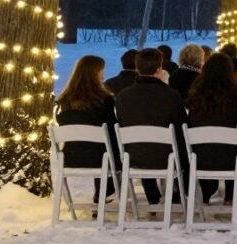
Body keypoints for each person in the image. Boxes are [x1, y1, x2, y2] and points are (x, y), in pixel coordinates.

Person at [115, 48, 188, 205]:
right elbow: (182, 126)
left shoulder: (123, 96)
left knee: (142, 145)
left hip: (134, 157)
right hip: (167, 158)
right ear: (159, 68)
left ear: (137, 68)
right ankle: (177, 192)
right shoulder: (171, 95)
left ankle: (152, 195)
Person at [186, 53, 237, 203]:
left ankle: (206, 191)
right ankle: (230, 195)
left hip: (201, 160)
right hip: (233, 160)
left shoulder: (195, 100)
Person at [55, 55, 118, 202]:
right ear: (95, 73)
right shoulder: (104, 100)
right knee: (111, 145)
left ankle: (104, 193)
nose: (104, 74)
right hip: (100, 159)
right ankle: (105, 192)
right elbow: (111, 129)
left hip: (70, 157)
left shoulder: (64, 100)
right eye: (102, 70)